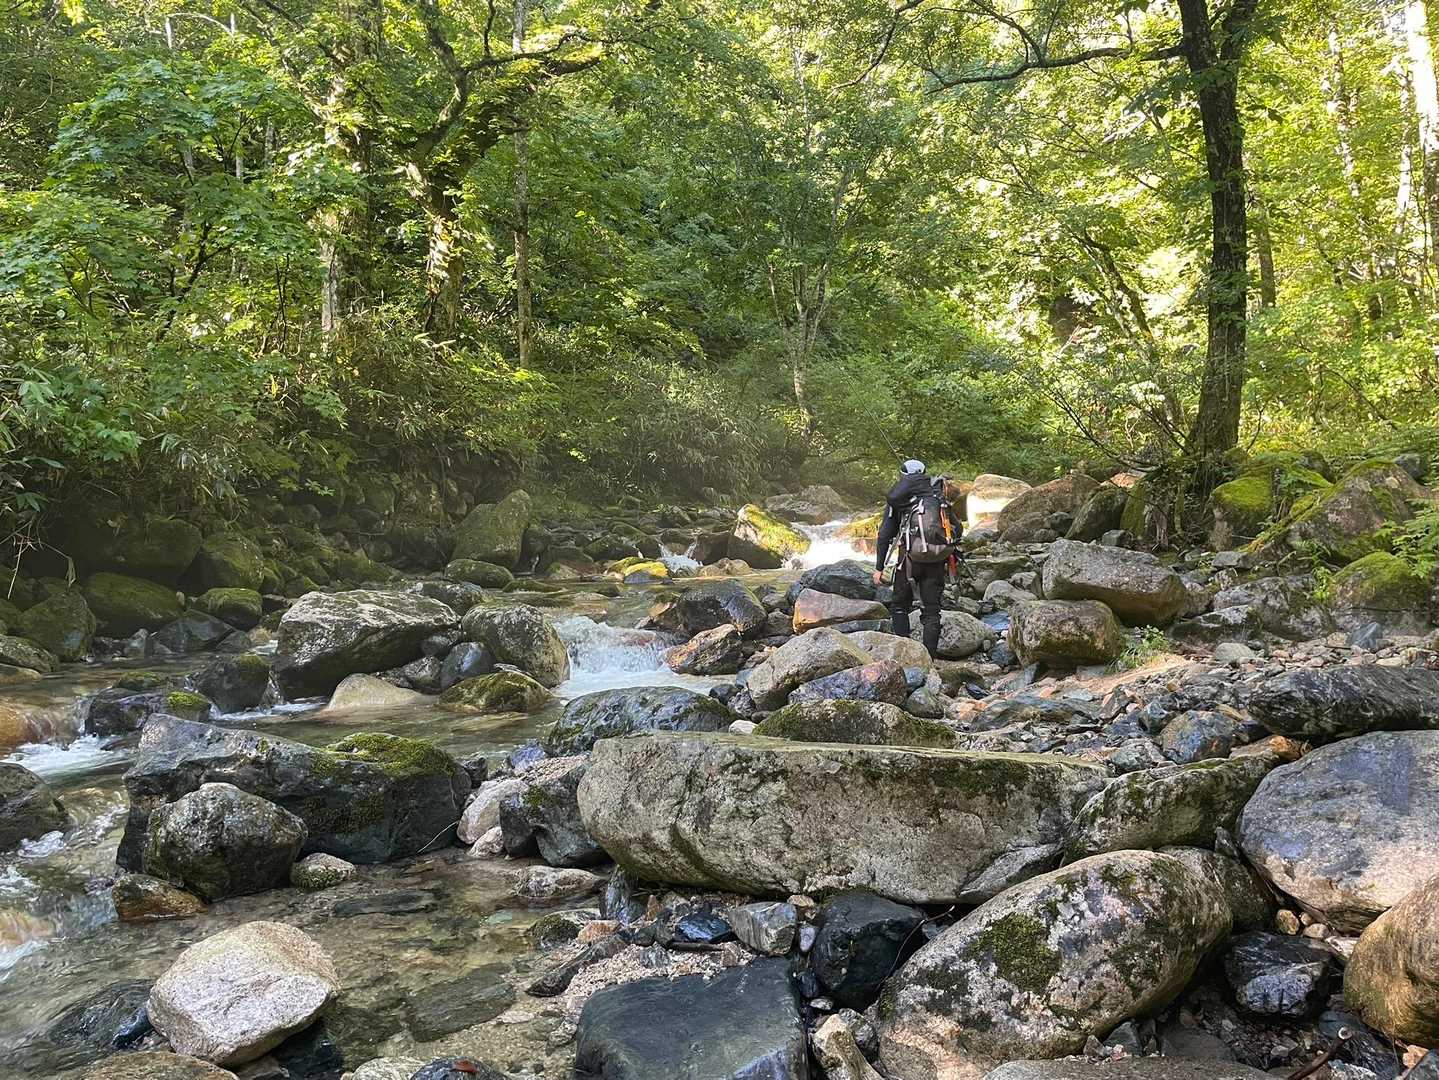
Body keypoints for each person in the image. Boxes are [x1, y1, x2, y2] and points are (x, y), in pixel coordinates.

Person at [872, 459, 958, 656]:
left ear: (903, 477)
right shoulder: (938, 498)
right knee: (932, 611)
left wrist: (879, 568)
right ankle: (929, 659)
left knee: (899, 606)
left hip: (909, 560)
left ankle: (904, 655)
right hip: (936, 560)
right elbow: (958, 529)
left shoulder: (899, 501)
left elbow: (884, 535)